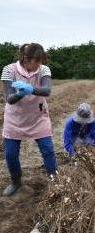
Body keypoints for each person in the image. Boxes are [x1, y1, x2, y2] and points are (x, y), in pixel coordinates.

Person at [1, 43, 57, 197]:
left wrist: (31, 89)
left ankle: (55, 180)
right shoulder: (9, 70)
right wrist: (20, 93)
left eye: (40, 62)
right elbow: (9, 99)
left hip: (38, 116)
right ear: (26, 59)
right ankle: (16, 182)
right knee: (11, 154)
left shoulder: (43, 70)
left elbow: (47, 91)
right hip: (15, 118)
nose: (38, 65)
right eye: (36, 62)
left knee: (48, 150)